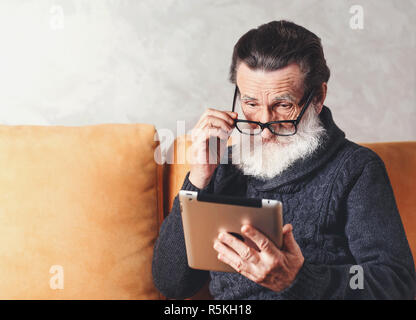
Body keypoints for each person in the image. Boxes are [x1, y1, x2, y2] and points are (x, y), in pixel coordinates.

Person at [152, 20, 415, 299]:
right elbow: (171, 285)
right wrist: (198, 179)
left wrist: (299, 280)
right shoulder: (221, 164)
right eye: (251, 103)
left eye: (283, 105)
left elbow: (397, 284)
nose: (264, 124)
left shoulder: (356, 168)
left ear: (318, 97)